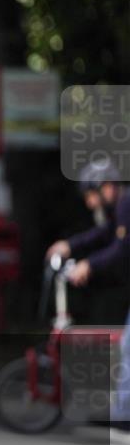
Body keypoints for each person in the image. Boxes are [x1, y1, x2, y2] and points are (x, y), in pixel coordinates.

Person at [45, 159, 130, 428]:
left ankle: (123, 415)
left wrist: (88, 264)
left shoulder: (127, 204)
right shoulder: (121, 209)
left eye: (91, 195)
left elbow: (121, 248)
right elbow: (104, 235)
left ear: (107, 187)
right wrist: (69, 246)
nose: (90, 203)